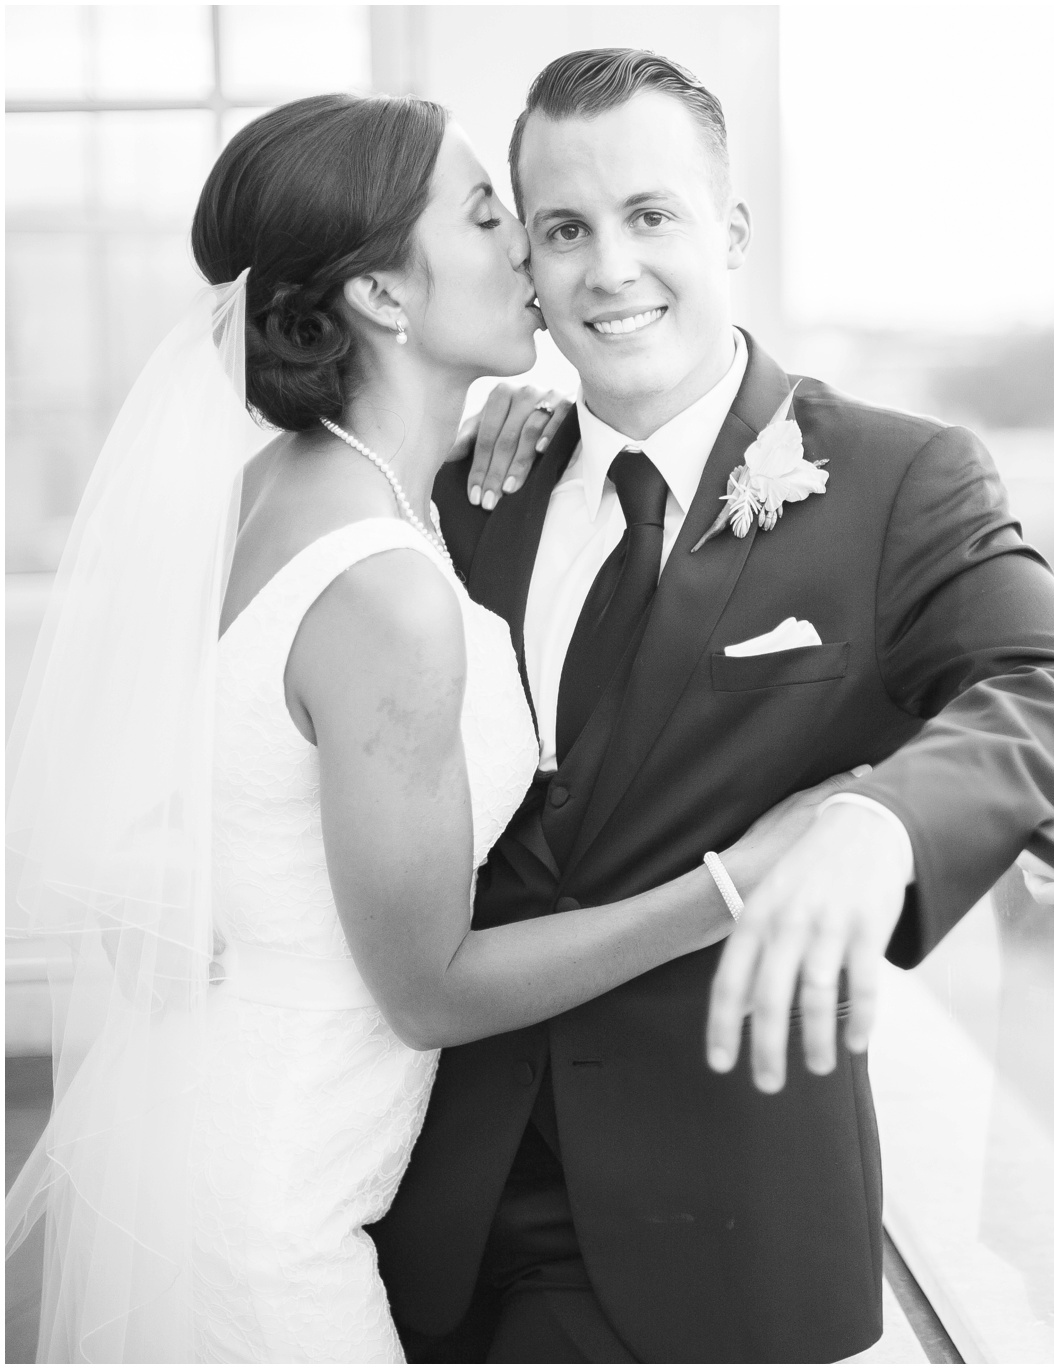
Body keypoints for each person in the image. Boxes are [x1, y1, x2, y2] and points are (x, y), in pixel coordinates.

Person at [3, 92, 853, 1363]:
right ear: (385, 300)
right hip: (281, 1213)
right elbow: (428, 991)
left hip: (206, 1125)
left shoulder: (278, 492)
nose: (528, 246)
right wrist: (737, 884)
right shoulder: (387, 592)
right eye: (485, 213)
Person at [370, 48, 1054, 1364]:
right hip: (429, 1206)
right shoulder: (471, 486)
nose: (609, 268)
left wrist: (882, 823)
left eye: (651, 216)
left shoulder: (898, 479)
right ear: (529, 269)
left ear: (731, 231)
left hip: (718, 1231)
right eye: (564, 229)